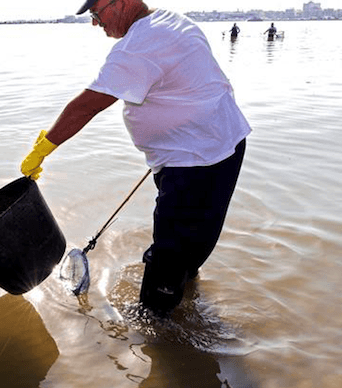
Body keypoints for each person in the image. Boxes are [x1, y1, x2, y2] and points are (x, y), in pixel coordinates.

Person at [20, 0, 250, 317]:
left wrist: (43, 148)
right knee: (191, 241)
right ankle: (183, 293)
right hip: (218, 145)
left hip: (197, 160)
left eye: (97, 13)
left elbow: (86, 106)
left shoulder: (138, 46)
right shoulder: (171, 20)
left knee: (168, 255)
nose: (95, 23)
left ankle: (156, 333)